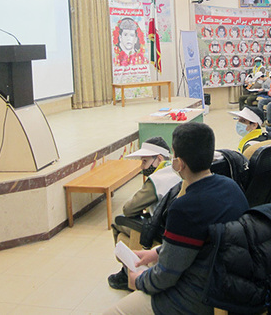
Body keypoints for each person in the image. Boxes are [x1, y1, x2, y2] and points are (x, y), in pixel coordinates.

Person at [104, 123, 249, 315]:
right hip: (230, 284)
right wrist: (156, 253)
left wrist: (138, 280)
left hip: (198, 296)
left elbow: (165, 276)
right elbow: (199, 244)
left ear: (179, 163)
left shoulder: (184, 207)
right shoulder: (231, 187)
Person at [108, 138, 180, 290]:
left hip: (160, 230)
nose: (142, 167)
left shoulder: (157, 179)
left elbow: (129, 209)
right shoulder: (178, 170)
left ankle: (126, 272)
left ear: (158, 159)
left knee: (119, 224)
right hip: (176, 229)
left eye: (145, 161)